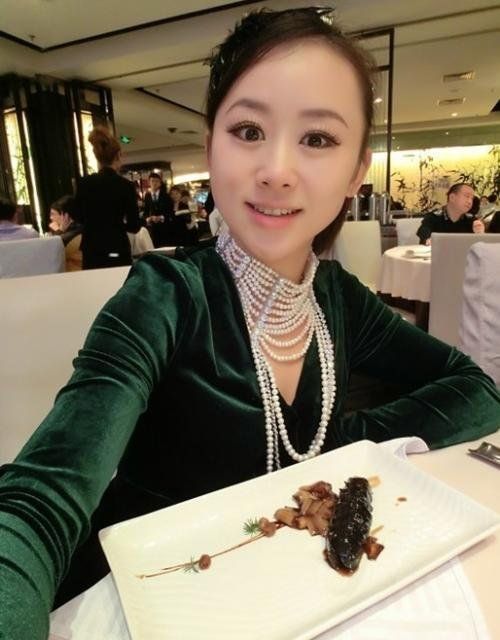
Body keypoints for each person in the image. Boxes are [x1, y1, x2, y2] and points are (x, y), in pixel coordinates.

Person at [0, 8, 499, 638]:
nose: (277, 170)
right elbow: (39, 501)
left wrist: (346, 443)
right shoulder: (165, 297)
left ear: (356, 171)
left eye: (318, 139)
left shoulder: (339, 298)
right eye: (248, 130)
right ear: (212, 145)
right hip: (156, 604)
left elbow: (476, 390)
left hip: (312, 597)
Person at [74, 126, 141, 269]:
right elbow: (134, 226)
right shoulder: (126, 186)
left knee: (94, 283)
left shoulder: (84, 183)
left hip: (92, 250)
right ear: (118, 155)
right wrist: (116, 223)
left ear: (97, 156)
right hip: (116, 248)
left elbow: (78, 216)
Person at [416, 183, 485, 245]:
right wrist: (428, 239)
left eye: (472, 198)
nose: (470, 201)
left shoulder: (471, 219)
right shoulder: (434, 217)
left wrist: (480, 234)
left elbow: (479, 246)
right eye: (467, 196)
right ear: (452, 197)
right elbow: (423, 231)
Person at [49, 195, 83, 271]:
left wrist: (60, 230)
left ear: (65, 215)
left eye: (53, 214)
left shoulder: (70, 234)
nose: (50, 217)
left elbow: (50, 249)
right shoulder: (79, 227)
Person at [143, 172, 175, 247]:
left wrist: (161, 217)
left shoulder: (166, 196)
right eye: (152, 181)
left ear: (160, 183)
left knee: (166, 246)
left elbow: (170, 211)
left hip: (165, 227)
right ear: (149, 183)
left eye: (157, 181)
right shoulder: (147, 196)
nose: (154, 183)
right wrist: (148, 218)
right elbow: (146, 211)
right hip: (153, 228)